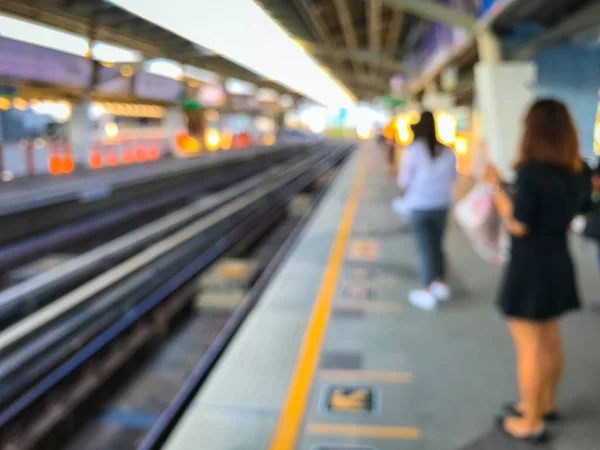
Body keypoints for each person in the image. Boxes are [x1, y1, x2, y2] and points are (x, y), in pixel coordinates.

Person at [484, 99, 588, 443]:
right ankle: (545, 404)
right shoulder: (577, 169)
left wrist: (497, 187)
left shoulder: (531, 171)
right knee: (551, 339)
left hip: (530, 268)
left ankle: (530, 421)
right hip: (559, 261)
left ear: (532, 131)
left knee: (529, 346)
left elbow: (519, 224)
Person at [397, 111, 457, 310]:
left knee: (425, 249)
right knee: (438, 246)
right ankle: (439, 283)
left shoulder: (413, 150)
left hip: (419, 206)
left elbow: (404, 180)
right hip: (441, 205)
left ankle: (427, 291)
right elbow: (452, 178)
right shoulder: (448, 151)